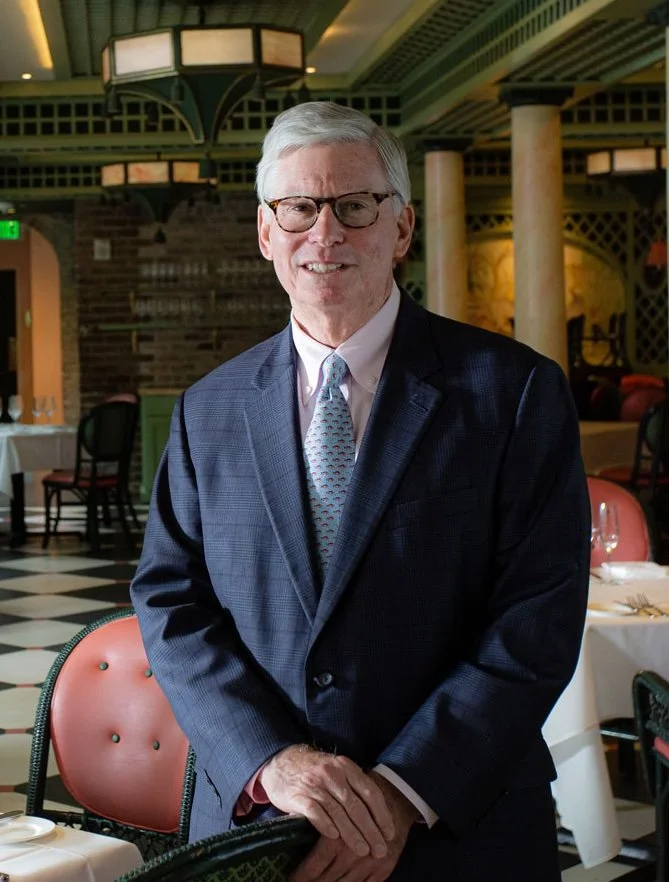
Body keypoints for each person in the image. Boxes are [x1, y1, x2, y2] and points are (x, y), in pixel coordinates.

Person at [130, 101, 590, 881]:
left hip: (458, 828)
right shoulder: (208, 407)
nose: (326, 233)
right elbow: (171, 602)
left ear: (401, 229)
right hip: (260, 827)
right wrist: (271, 761)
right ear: (266, 233)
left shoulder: (512, 393)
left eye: (354, 206)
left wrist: (402, 791)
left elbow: (535, 617)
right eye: (299, 208)